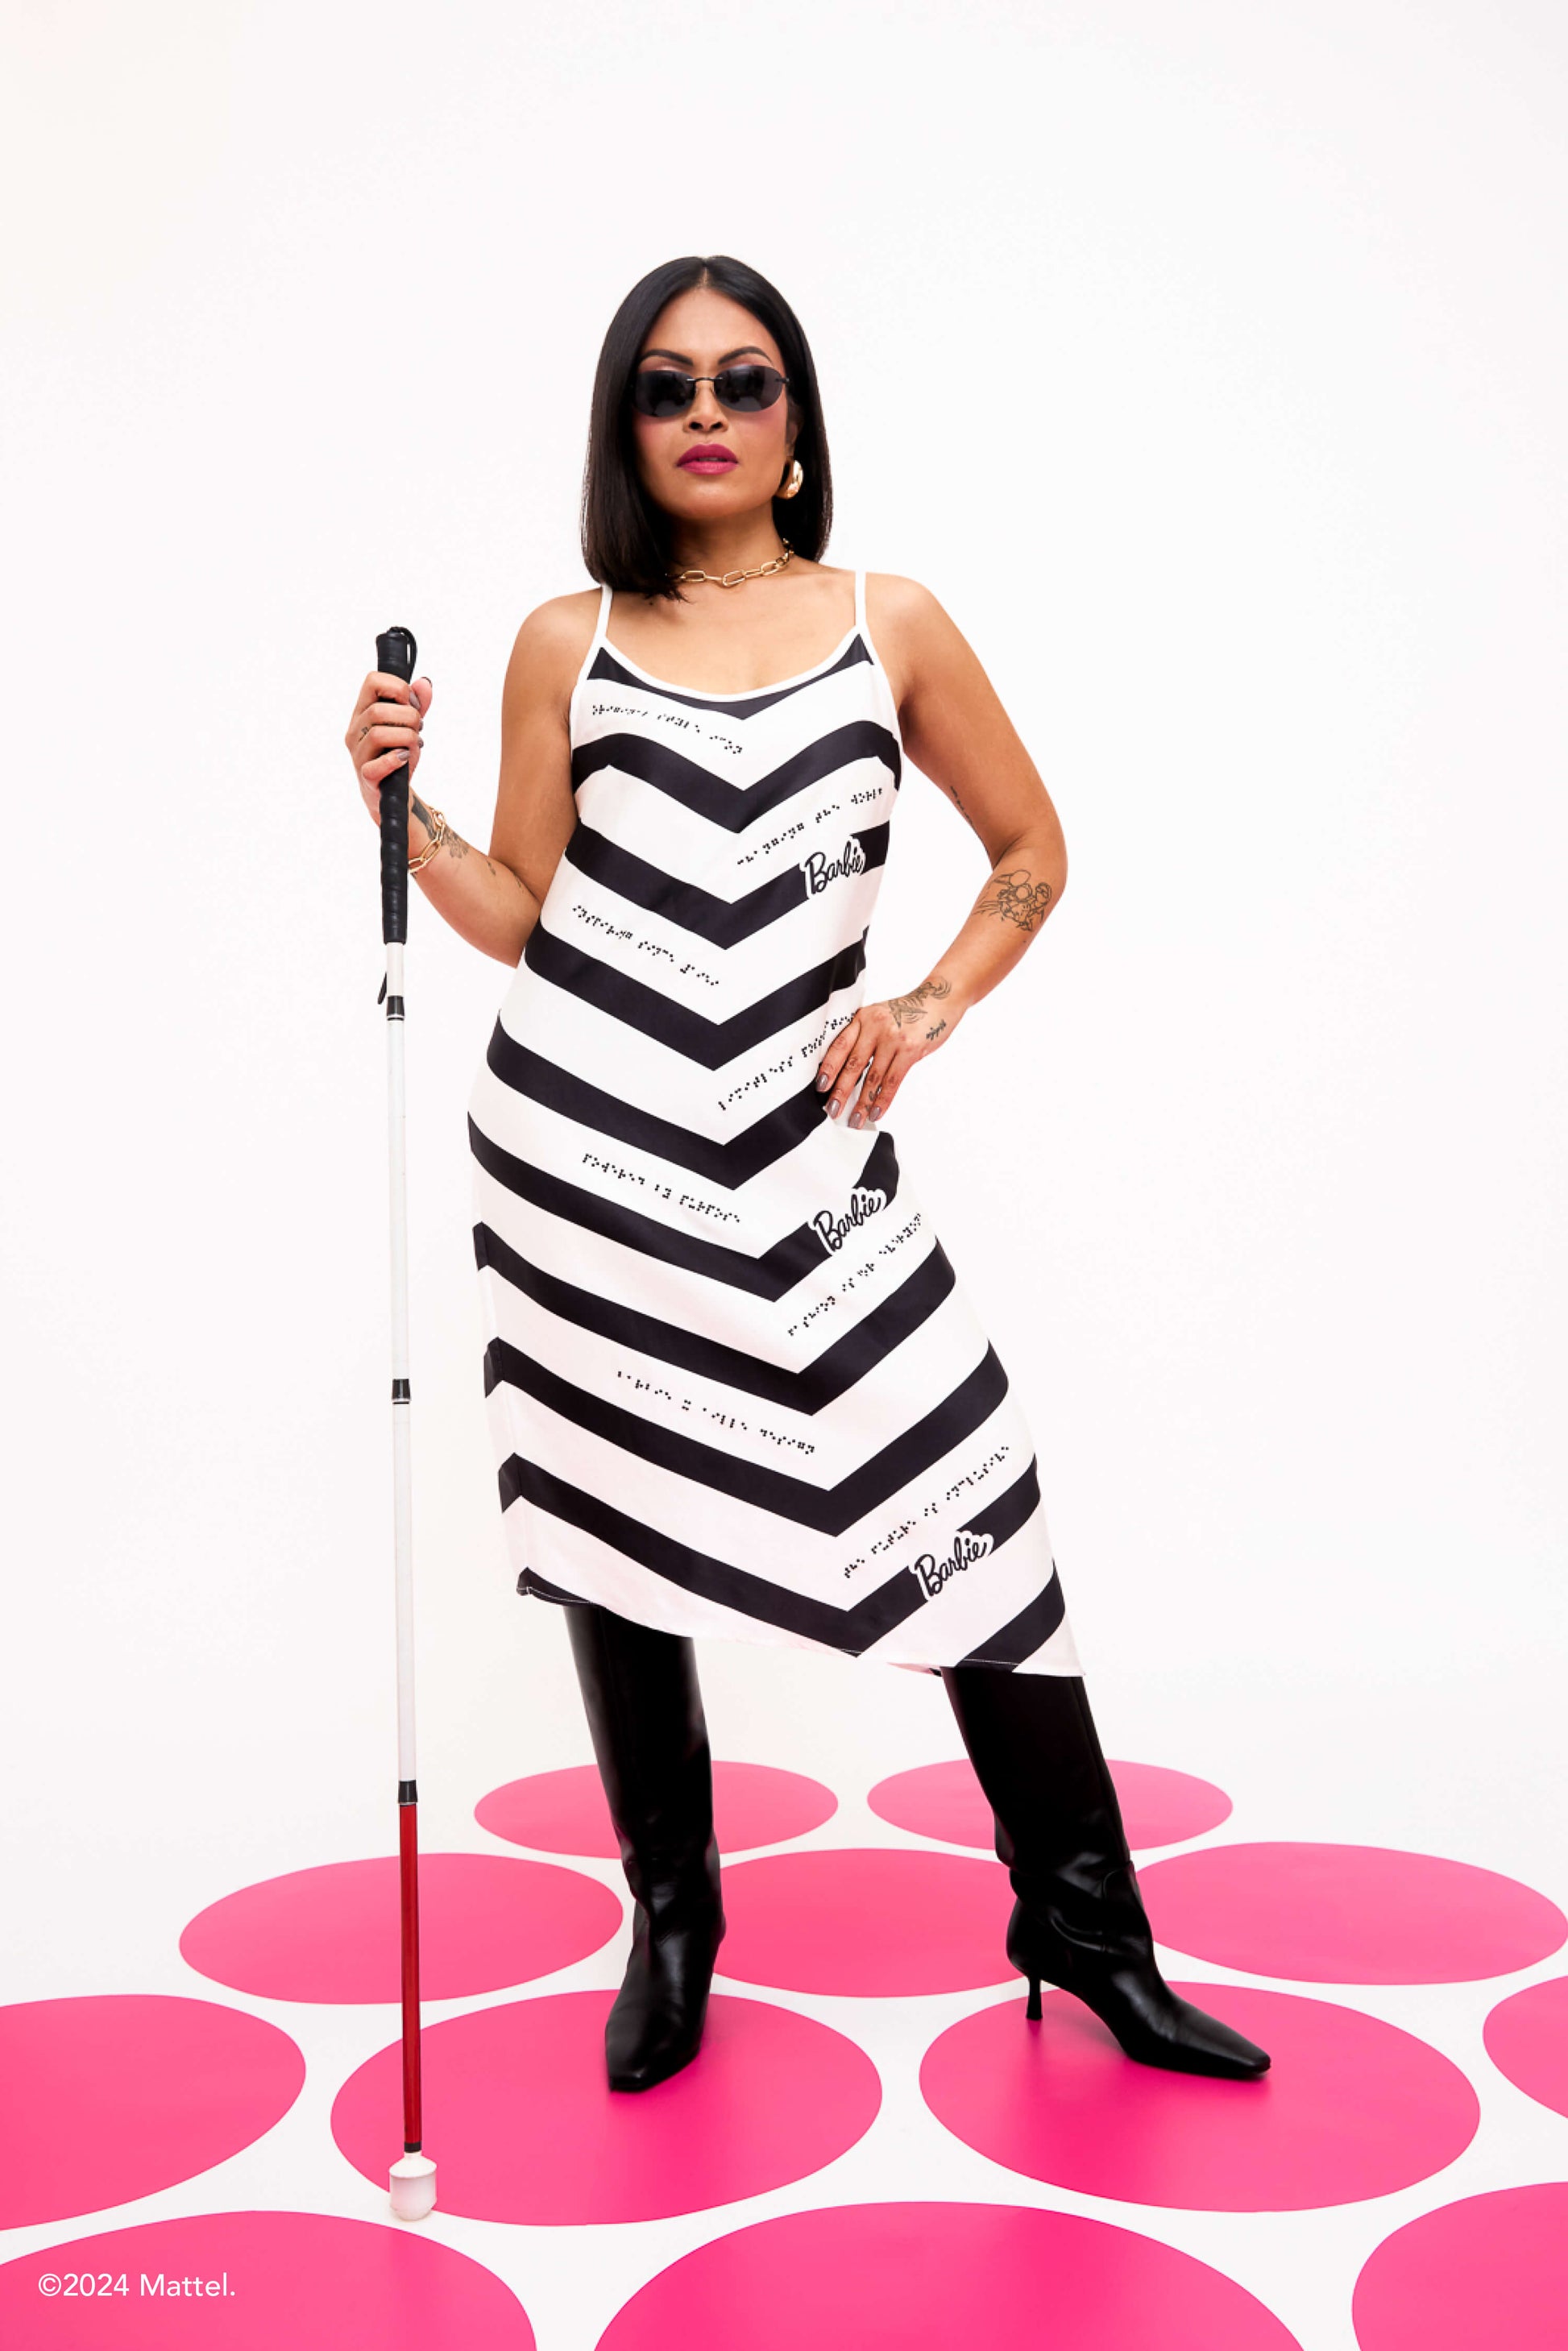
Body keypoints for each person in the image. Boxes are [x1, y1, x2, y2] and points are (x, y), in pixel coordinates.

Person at [345, 254, 1269, 2097]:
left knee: (972, 1499)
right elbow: (520, 920)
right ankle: (672, 1920)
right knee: (618, 1523)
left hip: (809, 1161)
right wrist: (402, 806)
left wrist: (924, 1001)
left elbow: (1031, 847)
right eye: (665, 386)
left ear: (793, 426)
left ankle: (1083, 1924)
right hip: (580, 1152)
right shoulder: (565, 638)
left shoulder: (889, 620)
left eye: (742, 382)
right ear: (626, 427)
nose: (703, 412)